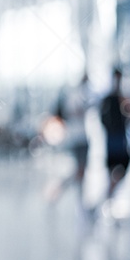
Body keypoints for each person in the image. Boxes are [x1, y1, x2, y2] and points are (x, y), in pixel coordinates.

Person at [55, 75, 92, 205]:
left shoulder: (84, 94)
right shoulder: (74, 96)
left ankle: (79, 195)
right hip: (77, 138)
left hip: (83, 137)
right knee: (79, 169)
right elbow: (71, 113)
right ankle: (59, 188)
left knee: (82, 170)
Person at [100, 68, 130, 207]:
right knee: (112, 170)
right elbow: (103, 118)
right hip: (112, 140)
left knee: (122, 169)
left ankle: (110, 194)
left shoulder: (123, 98)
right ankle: (108, 199)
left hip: (122, 139)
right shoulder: (108, 99)